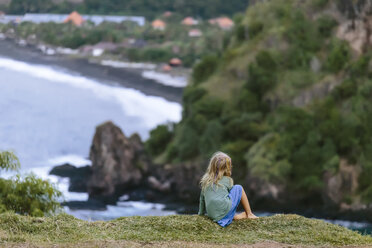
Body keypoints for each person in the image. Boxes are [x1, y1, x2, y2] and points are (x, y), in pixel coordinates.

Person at [198, 151, 258, 227]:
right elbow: (232, 196)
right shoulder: (228, 180)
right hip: (224, 209)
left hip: (213, 215)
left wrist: (201, 214)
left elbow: (202, 200)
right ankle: (249, 214)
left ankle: (235, 216)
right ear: (227, 168)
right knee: (238, 188)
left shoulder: (205, 181)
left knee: (222, 207)